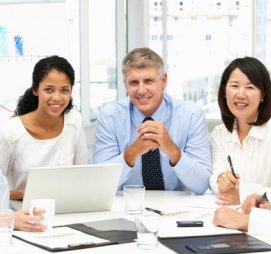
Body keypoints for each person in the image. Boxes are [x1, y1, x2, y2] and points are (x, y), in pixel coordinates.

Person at [92, 47, 211, 193]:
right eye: (134, 83)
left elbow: (202, 185)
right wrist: (131, 153)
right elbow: (99, 186)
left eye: (148, 81)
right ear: (125, 85)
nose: (141, 90)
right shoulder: (109, 116)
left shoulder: (191, 115)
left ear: (164, 81)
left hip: (178, 208)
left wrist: (172, 150)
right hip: (127, 207)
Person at [0, 55, 89, 201]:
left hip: (67, 211)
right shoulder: (11, 132)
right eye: (49, 90)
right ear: (35, 89)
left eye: (64, 90)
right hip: (23, 214)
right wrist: (23, 194)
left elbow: (84, 177)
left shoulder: (74, 122)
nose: (57, 98)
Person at [209, 56, 271, 205]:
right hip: (228, 216)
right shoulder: (219, 134)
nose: (240, 94)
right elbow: (215, 175)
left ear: (263, 94)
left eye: (250, 87)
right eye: (234, 86)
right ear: (225, 91)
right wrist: (220, 179)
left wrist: (242, 195)